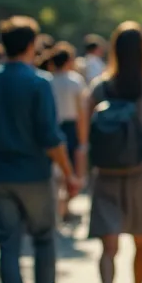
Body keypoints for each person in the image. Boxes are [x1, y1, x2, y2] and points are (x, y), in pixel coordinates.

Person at [0, 16, 79, 283]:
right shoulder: (38, 83)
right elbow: (50, 137)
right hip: (34, 174)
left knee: (8, 243)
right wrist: (68, 172)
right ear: (32, 44)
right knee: (43, 236)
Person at [78, 23, 142, 283]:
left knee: (108, 247)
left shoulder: (99, 87)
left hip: (105, 174)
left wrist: (83, 172)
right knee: (141, 242)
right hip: (139, 172)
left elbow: (86, 136)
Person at [47, 43, 85, 222]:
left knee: (56, 170)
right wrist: (83, 137)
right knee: (69, 168)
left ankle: (59, 208)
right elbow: (81, 111)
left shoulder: (47, 81)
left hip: (53, 125)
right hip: (70, 127)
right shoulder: (75, 81)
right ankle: (65, 207)